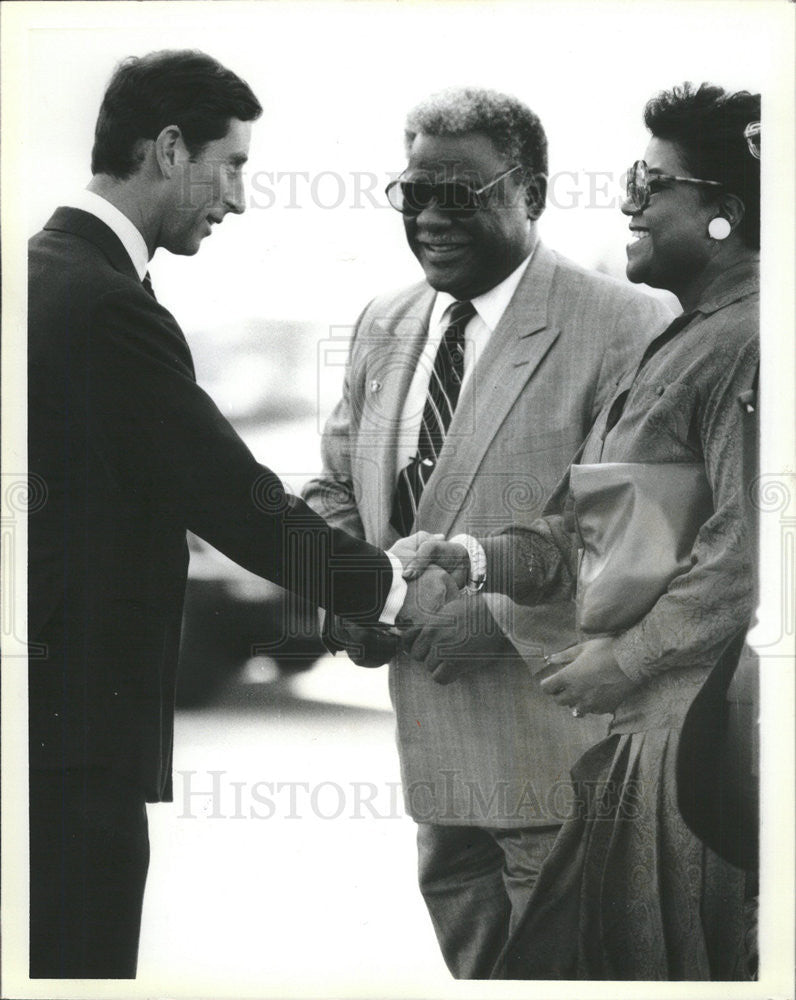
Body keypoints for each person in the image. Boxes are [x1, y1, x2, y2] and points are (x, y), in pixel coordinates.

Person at [27, 49, 452, 979]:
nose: (240, 198)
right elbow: (228, 495)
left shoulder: (45, 276)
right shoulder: (103, 305)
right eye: (234, 166)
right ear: (169, 149)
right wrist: (379, 579)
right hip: (73, 741)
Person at [301, 86, 672, 979]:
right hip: (436, 768)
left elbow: (641, 536)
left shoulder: (628, 321)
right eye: (412, 193)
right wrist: (348, 595)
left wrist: (485, 619)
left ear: (532, 192)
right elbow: (333, 488)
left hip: (564, 764)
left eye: (461, 194)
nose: (430, 217)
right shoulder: (385, 322)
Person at [408, 82, 761, 980]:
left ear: (725, 211)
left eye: (652, 182)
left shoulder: (755, 340)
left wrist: (627, 658)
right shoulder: (689, 338)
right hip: (640, 744)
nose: (627, 200)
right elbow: (599, 531)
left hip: (695, 747)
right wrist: (479, 556)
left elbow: (749, 548)